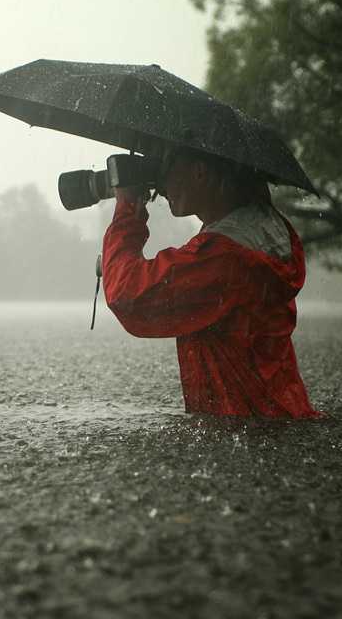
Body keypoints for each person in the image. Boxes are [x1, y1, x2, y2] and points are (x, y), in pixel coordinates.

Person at [102, 147, 320, 418]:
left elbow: (128, 295)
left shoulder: (223, 256)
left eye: (167, 165)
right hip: (280, 416)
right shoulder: (262, 228)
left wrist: (126, 210)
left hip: (243, 429)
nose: (161, 181)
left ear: (200, 171)